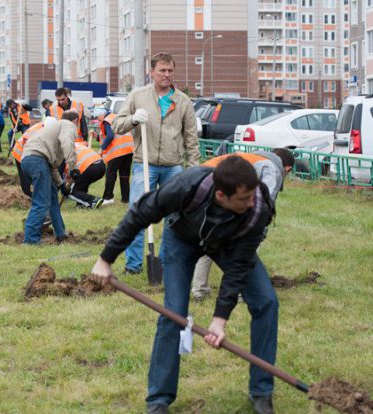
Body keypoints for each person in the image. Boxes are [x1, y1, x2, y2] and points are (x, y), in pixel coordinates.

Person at [91, 155, 278, 414]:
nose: (251, 201)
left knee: (266, 301)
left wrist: (219, 319)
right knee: (174, 313)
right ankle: (158, 399)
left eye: (252, 195)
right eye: (243, 199)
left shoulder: (257, 208)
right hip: (182, 238)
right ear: (222, 195)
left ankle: (261, 391)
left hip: (231, 244)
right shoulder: (186, 186)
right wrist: (105, 259)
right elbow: (140, 214)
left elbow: (238, 268)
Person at [112, 52, 199, 274]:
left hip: (174, 167)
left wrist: (194, 171)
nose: (166, 74)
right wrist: (132, 119)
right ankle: (133, 266)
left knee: (175, 219)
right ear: (152, 72)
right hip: (145, 164)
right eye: (162, 70)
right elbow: (117, 126)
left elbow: (191, 138)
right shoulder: (137, 96)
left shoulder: (182, 101)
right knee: (138, 214)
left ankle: (169, 263)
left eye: (170, 70)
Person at [191, 148, 295, 301]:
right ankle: (240, 292)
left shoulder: (253, 157)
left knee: (210, 238)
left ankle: (199, 291)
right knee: (242, 247)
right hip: (217, 187)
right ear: (288, 169)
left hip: (200, 182)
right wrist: (257, 232)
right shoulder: (273, 169)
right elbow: (263, 203)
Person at [21, 111, 80, 244]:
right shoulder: (68, 125)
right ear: (75, 121)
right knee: (42, 202)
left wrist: (61, 185)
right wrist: (73, 168)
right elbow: (67, 143)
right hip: (37, 161)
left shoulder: (51, 135)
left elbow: (52, 166)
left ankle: (60, 234)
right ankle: (30, 240)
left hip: (30, 161)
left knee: (53, 197)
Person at [93, 107, 134, 205]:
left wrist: (102, 148)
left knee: (111, 174)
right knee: (124, 175)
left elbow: (110, 135)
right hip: (129, 149)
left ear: (101, 115)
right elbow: (111, 134)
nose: (98, 120)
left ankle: (108, 198)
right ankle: (126, 198)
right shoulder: (117, 117)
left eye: (97, 117)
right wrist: (97, 136)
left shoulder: (107, 120)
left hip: (117, 151)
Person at [12, 110, 45, 197]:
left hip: (28, 154)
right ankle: (28, 194)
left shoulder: (42, 128)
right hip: (20, 154)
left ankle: (34, 193)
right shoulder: (37, 132)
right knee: (25, 177)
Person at [68, 141, 105, 209]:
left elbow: (62, 172)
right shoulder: (77, 144)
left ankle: (93, 200)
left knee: (70, 192)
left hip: (90, 168)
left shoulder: (64, 151)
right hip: (101, 165)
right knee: (81, 184)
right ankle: (81, 204)